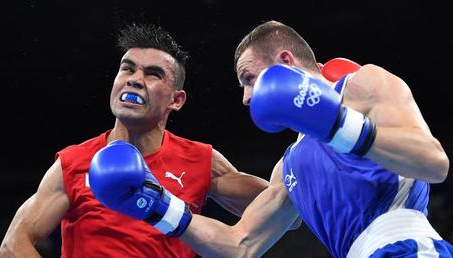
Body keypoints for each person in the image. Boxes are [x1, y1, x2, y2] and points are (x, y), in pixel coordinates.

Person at [85, 20, 453, 258]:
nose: (246, 98)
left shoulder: (360, 86)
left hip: (408, 247)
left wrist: (338, 124)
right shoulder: (288, 167)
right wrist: (159, 207)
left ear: (285, 62)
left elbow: (434, 163)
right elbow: (240, 244)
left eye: (248, 78)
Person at [0, 23, 269, 258]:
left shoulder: (200, 160)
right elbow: (13, 245)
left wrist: (308, 145)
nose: (135, 80)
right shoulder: (74, 162)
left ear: (176, 100)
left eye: (153, 74)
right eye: (127, 69)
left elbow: (283, 204)